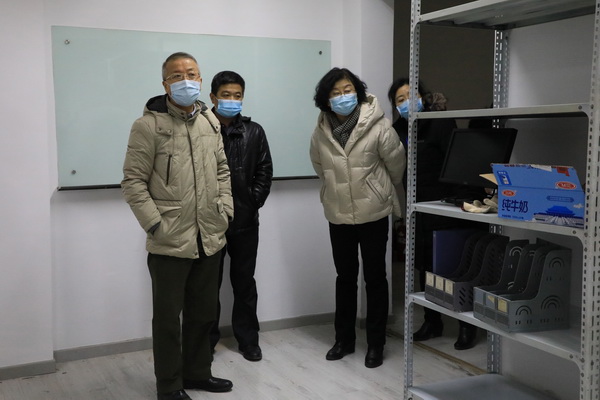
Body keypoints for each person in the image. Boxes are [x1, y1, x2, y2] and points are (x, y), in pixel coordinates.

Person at [122, 52, 234, 400]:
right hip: (169, 239)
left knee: (203, 313)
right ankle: (169, 386)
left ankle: (198, 373)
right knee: (168, 320)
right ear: (165, 84)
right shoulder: (148, 126)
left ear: (200, 79)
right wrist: (155, 224)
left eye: (192, 74)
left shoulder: (210, 122)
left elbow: (222, 171)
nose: (186, 80)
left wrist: (226, 211)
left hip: (209, 235)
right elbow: (133, 182)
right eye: (177, 75)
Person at [309, 67, 406, 368]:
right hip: (338, 214)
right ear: (326, 99)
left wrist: (378, 189)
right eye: (335, 92)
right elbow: (319, 167)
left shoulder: (379, 126)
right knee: (345, 278)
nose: (343, 96)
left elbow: (397, 166)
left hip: (374, 212)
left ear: (358, 92)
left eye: (348, 90)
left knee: (375, 278)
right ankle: (344, 340)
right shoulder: (321, 131)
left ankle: (376, 343)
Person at [387, 77, 480, 350]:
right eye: (400, 99)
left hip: (446, 207)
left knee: (455, 266)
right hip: (418, 208)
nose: (407, 102)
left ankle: (466, 325)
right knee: (425, 265)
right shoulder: (396, 130)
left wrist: (461, 204)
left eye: (411, 95)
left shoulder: (440, 122)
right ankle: (432, 321)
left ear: (422, 97)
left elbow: (457, 161)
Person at [208, 70, 273, 361]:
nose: (232, 100)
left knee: (244, 283)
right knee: (207, 287)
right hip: (209, 221)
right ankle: (205, 342)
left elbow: (265, 170)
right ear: (213, 97)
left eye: (237, 95)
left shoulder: (254, 131)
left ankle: (248, 341)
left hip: (245, 222)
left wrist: (253, 201)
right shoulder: (201, 128)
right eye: (226, 95)